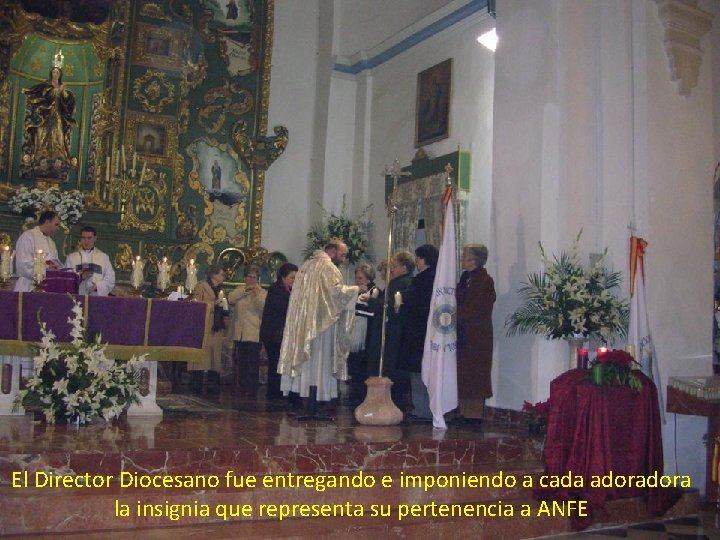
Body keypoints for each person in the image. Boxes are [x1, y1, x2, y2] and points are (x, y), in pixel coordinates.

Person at [278, 239, 359, 407]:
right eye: (342, 254)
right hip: (322, 325)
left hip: (304, 323)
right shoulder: (329, 268)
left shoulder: (306, 266)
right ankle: (320, 394)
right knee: (321, 360)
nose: (343, 259)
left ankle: (303, 393)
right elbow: (335, 294)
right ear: (332, 251)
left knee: (308, 361)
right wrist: (356, 290)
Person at [367, 251, 414, 411]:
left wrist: (373, 302)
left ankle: (391, 402)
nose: (391, 269)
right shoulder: (397, 282)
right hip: (391, 330)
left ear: (404, 267)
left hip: (394, 332)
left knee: (390, 367)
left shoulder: (402, 284)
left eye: (395, 266)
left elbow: (391, 305)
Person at [455, 244, 496, 424]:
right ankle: (463, 412)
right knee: (463, 373)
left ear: (473, 260)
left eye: (465, 256)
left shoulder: (485, 281)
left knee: (476, 375)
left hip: (477, 335)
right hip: (463, 333)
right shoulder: (465, 279)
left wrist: (455, 313)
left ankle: (474, 415)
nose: (462, 259)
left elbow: (478, 307)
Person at [398, 244, 439, 422]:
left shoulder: (423, 280)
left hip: (418, 331)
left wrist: (402, 304)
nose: (417, 261)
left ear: (425, 259)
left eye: (419, 258)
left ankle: (422, 410)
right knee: (423, 371)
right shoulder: (434, 278)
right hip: (425, 330)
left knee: (419, 371)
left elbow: (416, 304)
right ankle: (423, 409)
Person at [260, 262, 298, 401]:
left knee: (280, 365)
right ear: (282, 277)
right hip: (274, 334)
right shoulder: (276, 290)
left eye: (296, 278)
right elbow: (281, 309)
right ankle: (274, 394)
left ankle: (281, 392)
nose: (294, 281)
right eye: (291, 277)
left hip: (282, 334)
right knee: (275, 364)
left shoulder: (290, 291)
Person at [23, 67, 76, 165]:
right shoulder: (46, 85)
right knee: (42, 133)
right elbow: (37, 91)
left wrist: (63, 92)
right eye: (54, 72)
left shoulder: (62, 87)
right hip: (45, 114)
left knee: (57, 135)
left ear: (60, 75)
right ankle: (40, 155)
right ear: (51, 74)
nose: (55, 74)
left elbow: (67, 100)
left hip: (57, 114)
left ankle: (58, 156)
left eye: (57, 72)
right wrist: (28, 91)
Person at [228, 264, 267, 396]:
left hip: (254, 333)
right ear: (245, 278)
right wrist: (245, 290)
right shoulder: (240, 290)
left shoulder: (262, 293)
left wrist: (256, 295)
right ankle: (241, 387)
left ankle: (251, 389)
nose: (251, 279)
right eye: (249, 277)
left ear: (258, 279)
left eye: (254, 277)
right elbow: (231, 299)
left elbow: (263, 309)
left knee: (252, 364)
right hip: (240, 333)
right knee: (241, 362)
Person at [191, 264, 229, 394]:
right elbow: (196, 303)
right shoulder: (201, 286)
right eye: (221, 274)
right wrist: (213, 304)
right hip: (204, 325)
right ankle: (197, 383)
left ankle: (213, 384)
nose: (223, 276)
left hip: (216, 325)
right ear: (213, 274)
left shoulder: (220, 289)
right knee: (202, 355)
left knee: (214, 355)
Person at [347, 263, 380, 404]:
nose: (357, 280)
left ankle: (361, 395)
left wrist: (355, 309)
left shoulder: (375, 290)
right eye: (356, 277)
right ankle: (354, 392)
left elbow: (372, 311)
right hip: (354, 329)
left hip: (365, 332)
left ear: (368, 278)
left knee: (361, 364)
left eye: (360, 278)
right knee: (353, 363)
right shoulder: (356, 290)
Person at [14, 210, 62, 292]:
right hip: (28, 285)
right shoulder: (28, 236)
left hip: (48, 286)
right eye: (56, 224)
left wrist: (57, 267)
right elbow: (23, 264)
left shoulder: (51, 242)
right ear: (47, 222)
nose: (58, 228)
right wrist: (46, 268)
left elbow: (55, 262)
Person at [64, 226, 115, 296]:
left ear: (95, 238)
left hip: (97, 296)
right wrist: (80, 277)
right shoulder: (71, 258)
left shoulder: (104, 257)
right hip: (78, 296)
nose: (86, 241)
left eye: (89, 238)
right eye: (83, 238)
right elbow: (67, 278)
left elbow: (110, 279)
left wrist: (97, 286)